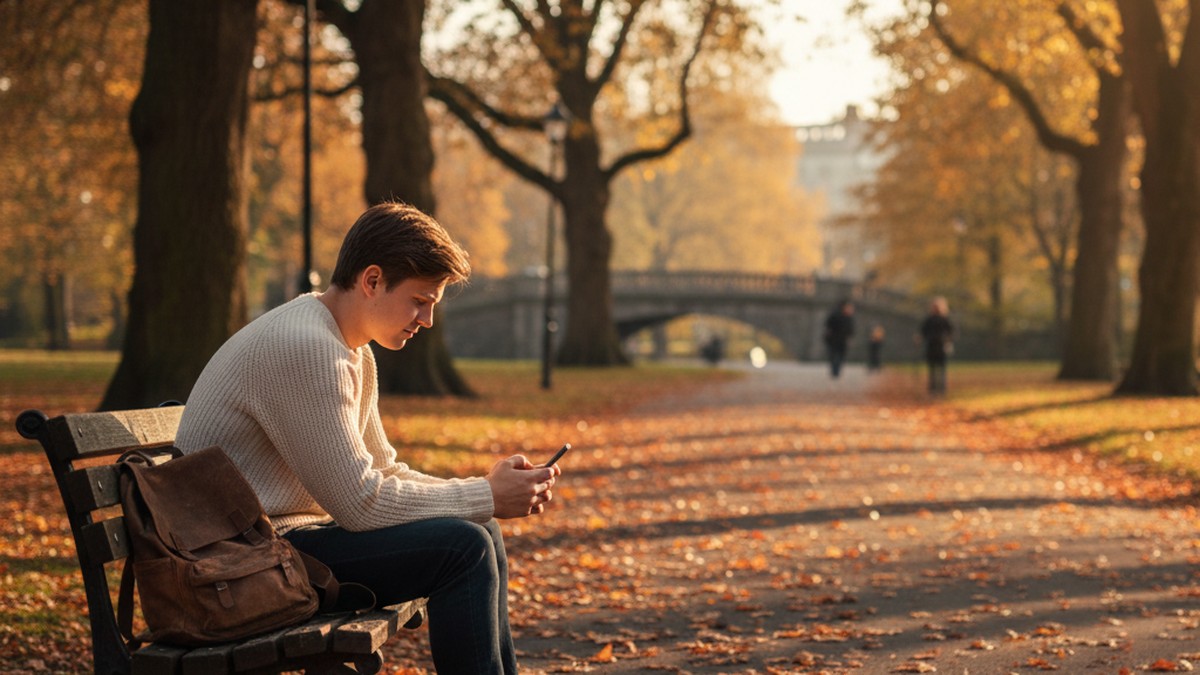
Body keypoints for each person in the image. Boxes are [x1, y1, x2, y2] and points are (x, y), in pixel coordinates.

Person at [175, 202, 558, 674]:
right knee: (465, 548)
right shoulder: (307, 346)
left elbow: (384, 471)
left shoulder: (348, 348)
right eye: (421, 300)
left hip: (276, 548)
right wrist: (483, 493)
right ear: (372, 281)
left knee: (482, 531)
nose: (428, 319)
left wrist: (483, 494)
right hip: (241, 569)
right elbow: (361, 504)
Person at [919, 296, 954, 394]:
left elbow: (951, 332)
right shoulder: (930, 319)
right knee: (933, 369)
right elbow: (923, 332)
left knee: (941, 369)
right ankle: (933, 388)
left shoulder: (944, 319)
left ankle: (941, 388)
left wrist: (947, 341)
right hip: (932, 346)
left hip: (940, 346)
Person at [823, 299, 855, 378]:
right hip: (834, 338)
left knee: (841, 355)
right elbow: (828, 324)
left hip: (843, 340)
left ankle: (836, 370)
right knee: (833, 355)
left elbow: (851, 329)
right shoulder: (836, 314)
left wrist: (849, 338)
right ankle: (834, 370)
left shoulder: (849, 318)